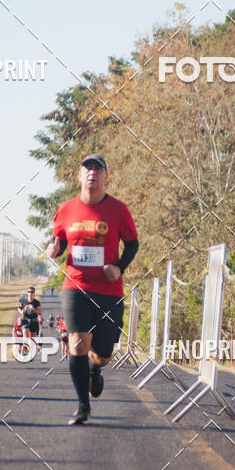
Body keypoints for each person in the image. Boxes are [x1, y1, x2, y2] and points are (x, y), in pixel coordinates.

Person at [47, 154, 138, 425]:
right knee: (77, 344)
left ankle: (95, 370)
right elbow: (60, 240)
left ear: (106, 177)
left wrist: (119, 266)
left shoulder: (118, 210)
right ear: (79, 176)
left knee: (103, 353)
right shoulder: (66, 209)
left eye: (98, 169)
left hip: (109, 290)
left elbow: (132, 245)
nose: (92, 173)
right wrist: (55, 249)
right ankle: (82, 406)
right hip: (75, 285)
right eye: (87, 169)